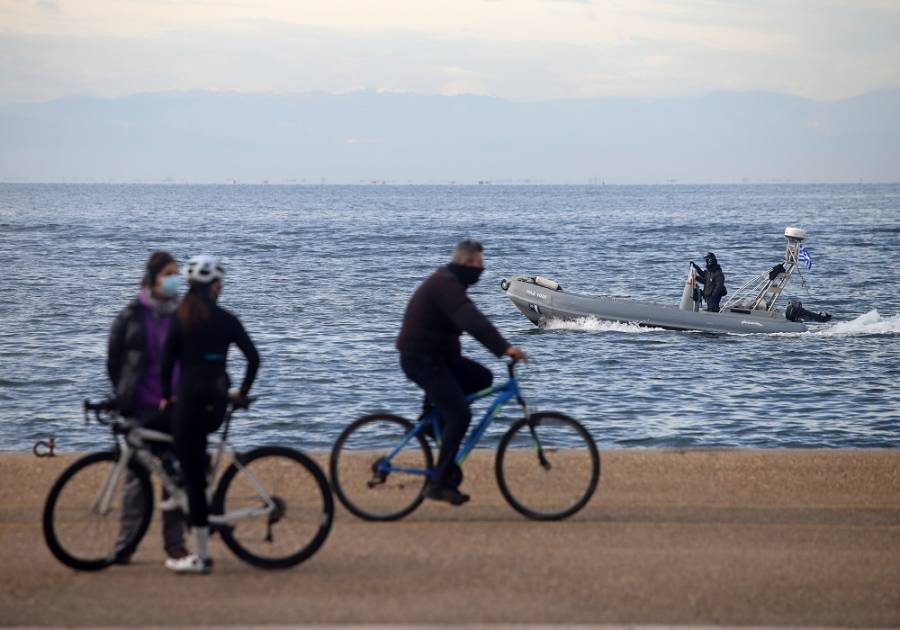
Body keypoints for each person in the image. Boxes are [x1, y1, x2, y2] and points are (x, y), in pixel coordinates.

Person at [396, 239, 527, 506]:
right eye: (479, 263)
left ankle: (432, 423)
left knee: (482, 378)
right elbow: (471, 320)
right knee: (460, 415)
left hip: (438, 358)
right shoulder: (445, 285)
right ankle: (438, 483)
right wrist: (504, 348)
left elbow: (469, 318)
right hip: (420, 359)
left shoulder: (450, 282)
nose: (482, 269)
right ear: (466, 263)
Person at [160, 255, 260, 574]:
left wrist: (165, 396)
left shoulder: (179, 318)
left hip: (189, 405)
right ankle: (191, 484)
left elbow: (165, 366)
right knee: (194, 464)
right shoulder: (228, 320)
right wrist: (241, 393)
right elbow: (254, 359)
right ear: (215, 287)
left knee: (191, 481)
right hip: (216, 405)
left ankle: (201, 557)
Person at [107, 251, 188, 564]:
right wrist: (123, 396)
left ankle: (175, 544)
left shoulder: (183, 315)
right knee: (135, 483)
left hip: (176, 406)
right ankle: (125, 545)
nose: (175, 278)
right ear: (153, 277)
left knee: (176, 478)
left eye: (176, 272)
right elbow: (115, 361)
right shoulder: (131, 316)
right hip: (141, 408)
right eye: (169, 272)